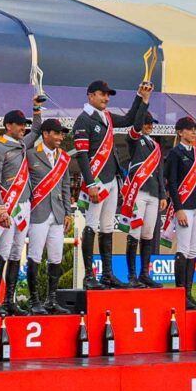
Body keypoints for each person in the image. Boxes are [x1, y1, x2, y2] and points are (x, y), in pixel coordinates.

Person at [69, 79, 152, 289]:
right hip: (96, 180)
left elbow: (129, 119)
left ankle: (107, 274)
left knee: (107, 227)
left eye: (107, 95)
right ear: (90, 95)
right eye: (101, 94)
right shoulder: (83, 120)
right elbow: (82, 155)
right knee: (92, 224)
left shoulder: (106, 116)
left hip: (112, 178)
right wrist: (90, 184)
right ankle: (89, 276)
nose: (106, 98)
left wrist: (141, 98)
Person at [0, 109, 33, 316]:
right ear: (8, 126)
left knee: (16, 252)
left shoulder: (22, 144)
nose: (23, 128)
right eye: (19, 125)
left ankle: (10, 300)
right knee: (3, 251)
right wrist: (1, 208)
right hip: (8, 207)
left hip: (25, 205)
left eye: (24, 125)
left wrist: (36, 108)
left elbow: (36, 129)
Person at [22, 118, 74, 313]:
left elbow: (66, 186)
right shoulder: (31, 155)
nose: (60, 137)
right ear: (45, 134)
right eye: (57, 133)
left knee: (55, 257)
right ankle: (34, 300)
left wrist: (68, 212)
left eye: (61, 133)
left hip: (58, 213)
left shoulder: (63, 158)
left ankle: (51, 299)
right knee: (34, 256)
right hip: (38, 212)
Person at [161, 117, 196, 302]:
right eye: (190, 129)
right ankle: (180, 292)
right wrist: (178, 208)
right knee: (183, 248)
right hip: (185, 206)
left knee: (194, 250)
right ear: (180, 132)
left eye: (195, 129)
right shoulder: (175, 153)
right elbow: (172, 183)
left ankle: (189, 293)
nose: (193, 132)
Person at [115, 115, 164, 287]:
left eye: (151, 123)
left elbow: (160, 172)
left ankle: (144, 273)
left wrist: (163, 194)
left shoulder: (156, 146)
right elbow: (133, 134)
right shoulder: (135, 141)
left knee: (148, 234)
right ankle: (132, 275)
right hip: (138, 191)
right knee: (134, 233)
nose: (149, 126)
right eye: (146, 123)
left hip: (153, 193)